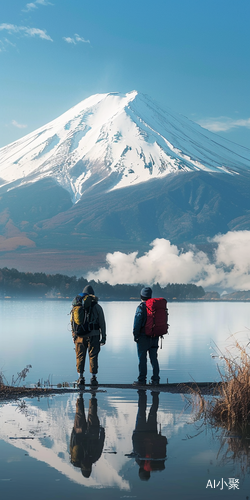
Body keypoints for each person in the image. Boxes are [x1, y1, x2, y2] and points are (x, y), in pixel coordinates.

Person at [71, 284, 106, 387]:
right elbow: (102, 323)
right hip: (94, 335)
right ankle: (93, 378)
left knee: (80, 356)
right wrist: (103, 337)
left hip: (79, 336)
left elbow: (73, 322)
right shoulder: (97, 307)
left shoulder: (76, 306)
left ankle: (80, 377)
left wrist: (74, 335)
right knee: (93, 356)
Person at [132, 390, 167, 480]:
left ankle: (155, 394)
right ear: (140, 471)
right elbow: (136, 444)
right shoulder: (139, 461)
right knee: (141, 410)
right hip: (140, 431)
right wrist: (134, 434)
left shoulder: (157, 464)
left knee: (153, 411)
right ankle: (142, 392)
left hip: (152, 433)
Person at [70, 393, 105, 478]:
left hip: (91, 433)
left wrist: (102, 432)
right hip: (79, 432)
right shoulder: (75, 458)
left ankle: (92, 395)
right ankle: (80, 396)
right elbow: (71, 443)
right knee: (79, 414)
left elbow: (101, 442)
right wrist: (74, 430)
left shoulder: (94, 457)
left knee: (92, 414)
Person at [133, 286, 160, 386]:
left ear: (141, 296)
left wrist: (135, 335)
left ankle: (142, 380)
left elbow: (137, 322)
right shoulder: (155, 307)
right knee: (154, 358)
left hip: (143, 337)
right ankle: (156, 380)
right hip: (155, 336)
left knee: (142, 359)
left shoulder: (141, 307)